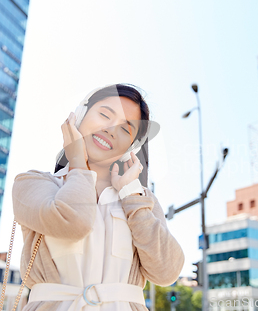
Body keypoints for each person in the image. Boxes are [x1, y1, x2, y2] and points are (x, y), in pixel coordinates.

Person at [12, 84, 185, 310]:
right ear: (80, 115)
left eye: (126, 129)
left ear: (130, 147)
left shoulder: (140, 200)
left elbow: (167, 272)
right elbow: (74, 222)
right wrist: (77, 163)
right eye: (104, 114)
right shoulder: (34, 184)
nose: (111, 129)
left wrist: (132, 198)